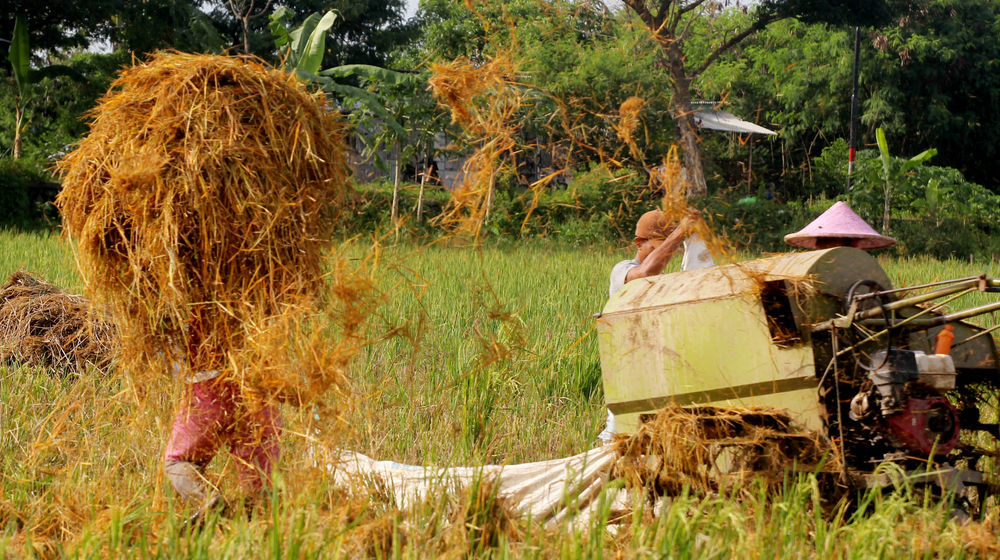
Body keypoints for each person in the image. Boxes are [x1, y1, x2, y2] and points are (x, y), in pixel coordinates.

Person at [600, 208, 714, 444]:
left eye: (671, 246)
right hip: (629, 372)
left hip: (657, 373)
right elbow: (645, 272)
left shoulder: (665, 282)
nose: (667, 253)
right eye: (659, 245)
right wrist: (680, 232)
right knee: (620, 440)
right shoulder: (621, 270)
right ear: (638, 243)